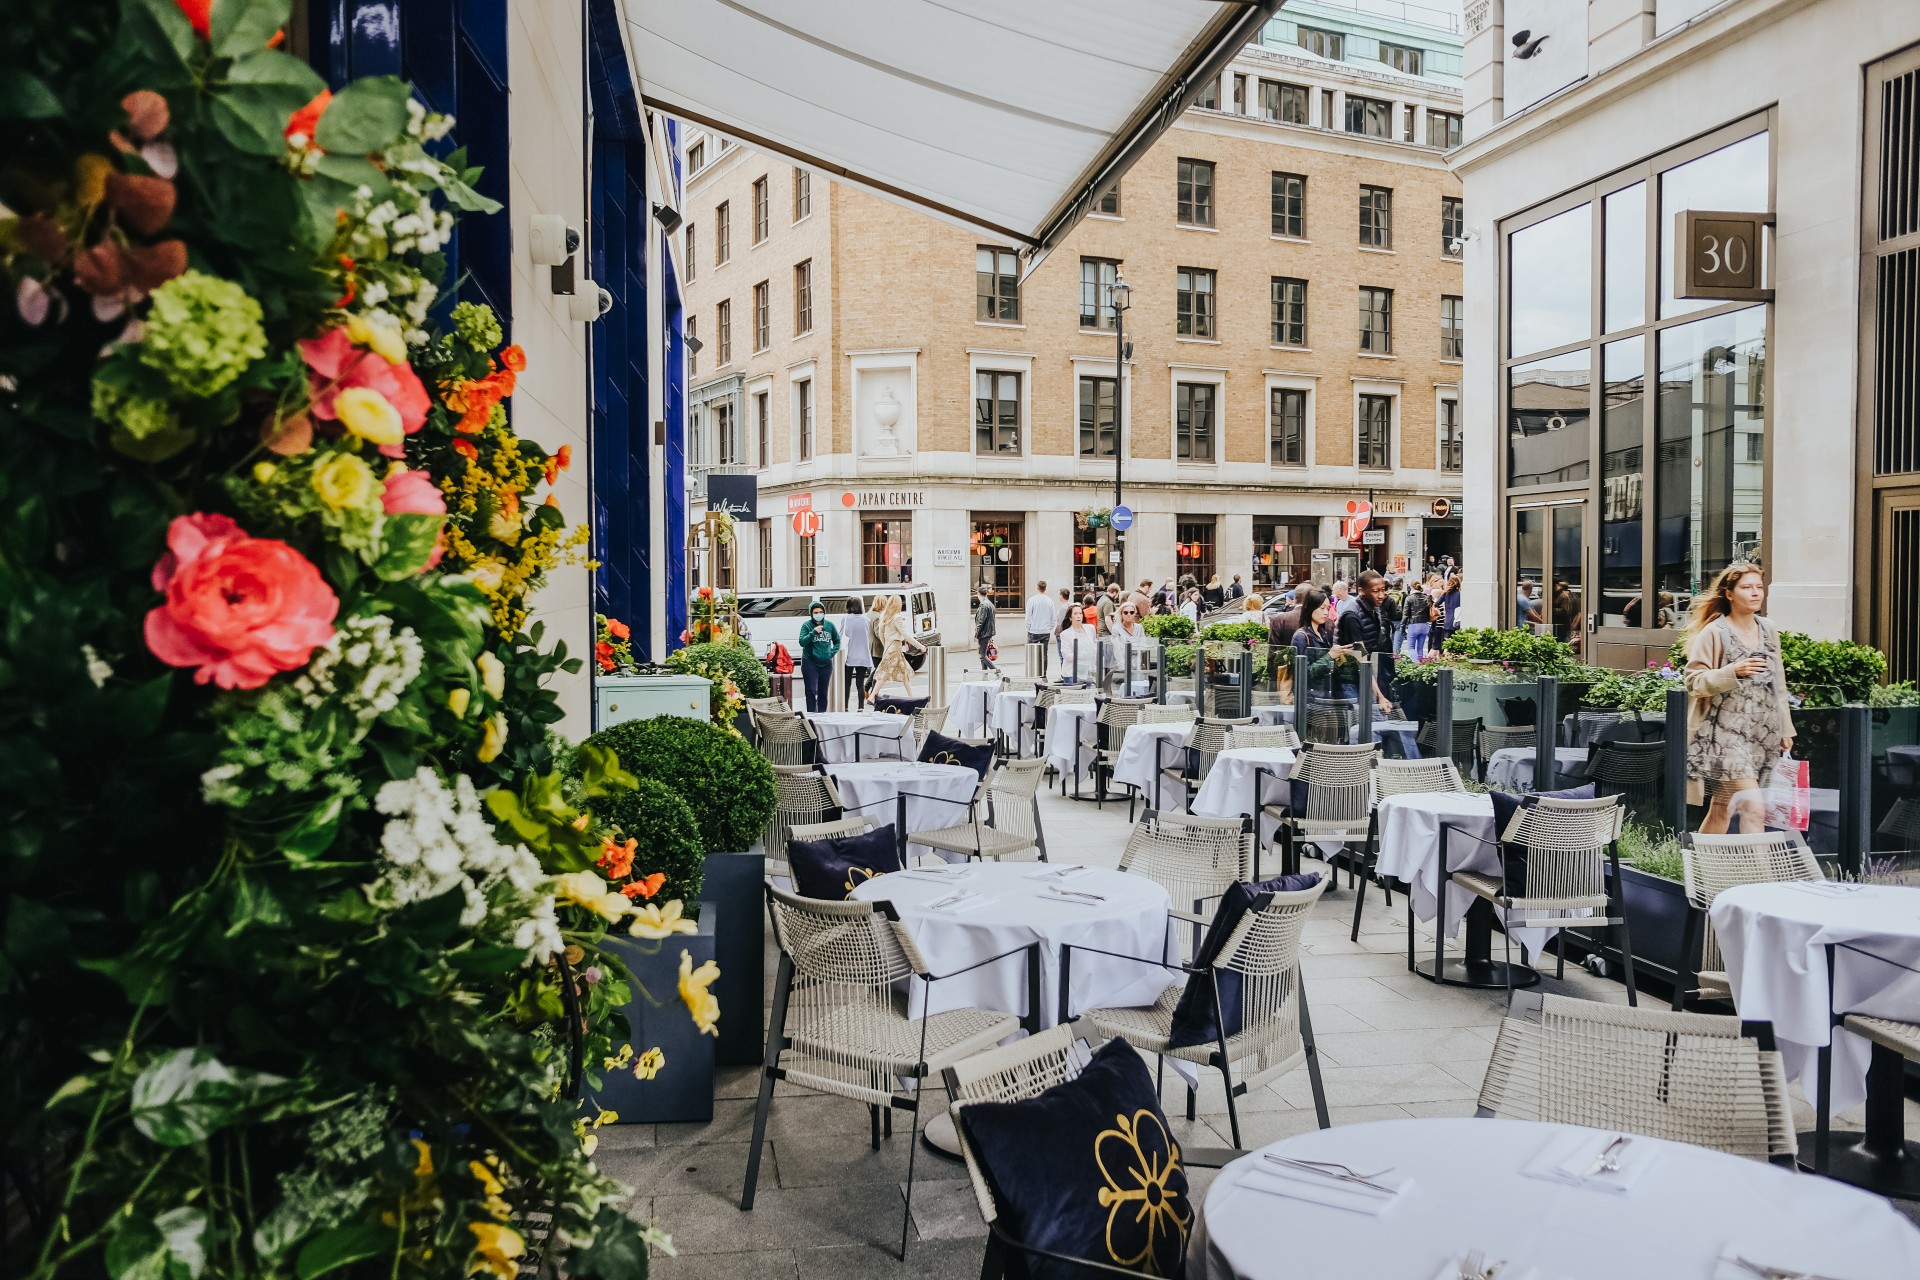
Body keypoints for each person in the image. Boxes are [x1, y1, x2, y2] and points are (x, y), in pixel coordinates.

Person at [1684, 564, 1794, 835]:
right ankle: (1761, 876)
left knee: (1722, 809)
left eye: (1759, 587)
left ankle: (1698, 868)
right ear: (1729, 594)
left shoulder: (1768, 629)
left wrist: (1785, 729)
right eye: (1747, 587)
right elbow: (1694, 681)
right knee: (1753, 807)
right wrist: (1732, 671)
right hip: (1724, 735)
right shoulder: (1715, 632)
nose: (1756, 593)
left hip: (1762, 732)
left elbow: (1778, 684)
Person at [1335, 569, 1397, 714]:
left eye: (1383, 590)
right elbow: (1361, 659)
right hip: (1352, 680)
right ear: (1362, 591)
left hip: (1367, 676)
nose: (1381, 595)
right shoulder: (1352, 615)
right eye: (1376, 591)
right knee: (1359, 724)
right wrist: (1380, 696)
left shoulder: (1374, 609)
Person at [868, 594, 922, 701]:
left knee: (903, 672)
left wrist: (886, 645)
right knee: (886, 674)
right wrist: (920, 646)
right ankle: (872, 697)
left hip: (890, 647)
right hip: (895, 647)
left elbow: (881, 633)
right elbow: (905, 634)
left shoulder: (884, 616)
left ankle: (911, 697)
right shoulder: (897, 618)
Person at [797, 599, 840, 714]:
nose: (818, 614)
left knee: (823, 692)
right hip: (810, 662)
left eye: (821, 612)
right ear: (811, 613)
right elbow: (802, 642)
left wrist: (831, 653)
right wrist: (813, 633)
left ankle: (822, 715)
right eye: (815, 612)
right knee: (811, 690)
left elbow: (837, 641)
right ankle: (812, 716)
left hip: (826, 664)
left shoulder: (829, 625)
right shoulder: (806, 626)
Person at [839, 597, 873, 709]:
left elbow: (840, 636)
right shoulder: (866, 620)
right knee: (860, 683)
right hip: (863, 655)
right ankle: (860, 707)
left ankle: (845, 707)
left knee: (847, 683)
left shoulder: (846, 618)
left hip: (849, 656)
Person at [1055, 597, 1098, 684]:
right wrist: (1084, 654)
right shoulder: (1065, 634)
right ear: (1070, 618)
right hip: (1071, 672)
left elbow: (1094, 646)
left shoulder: (1090, 628)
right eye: (1075, 613)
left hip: (1088, 671)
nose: (1078, 616)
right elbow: (1066, 655)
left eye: (1080, 613)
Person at [1024, 580, 1055, 675]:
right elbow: (1053, 618)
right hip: (1045, 631)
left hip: (1033, 630)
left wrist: (1028, 627)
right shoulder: (1050, 601)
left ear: (1037, 588)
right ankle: (1043, 673)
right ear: (1045, 588)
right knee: (1044, 654)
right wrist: (1049, 627)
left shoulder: (1032, 600)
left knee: (1031, 653)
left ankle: (1032, 672)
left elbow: (1028, 616)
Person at [1403, 577, 1431, 658]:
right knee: (1420, 648)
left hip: (1413, 624)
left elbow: (1405, 614)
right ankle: (1421, 664)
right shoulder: (1426, 597)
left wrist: (1402, 627)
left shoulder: (1409, 598)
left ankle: (1416, 663)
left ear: (1411, 587)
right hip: (1425, 624)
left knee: (1411, 647)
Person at [974, 588, 998, 672]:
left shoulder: (984, 605)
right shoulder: (990, 604)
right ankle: (985, 674)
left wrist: (976, 635)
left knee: (982, 655)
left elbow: (981, 621)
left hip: (984, 633)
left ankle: (996, 672)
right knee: (983, 655)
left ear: (979, 594)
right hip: (988, 632)